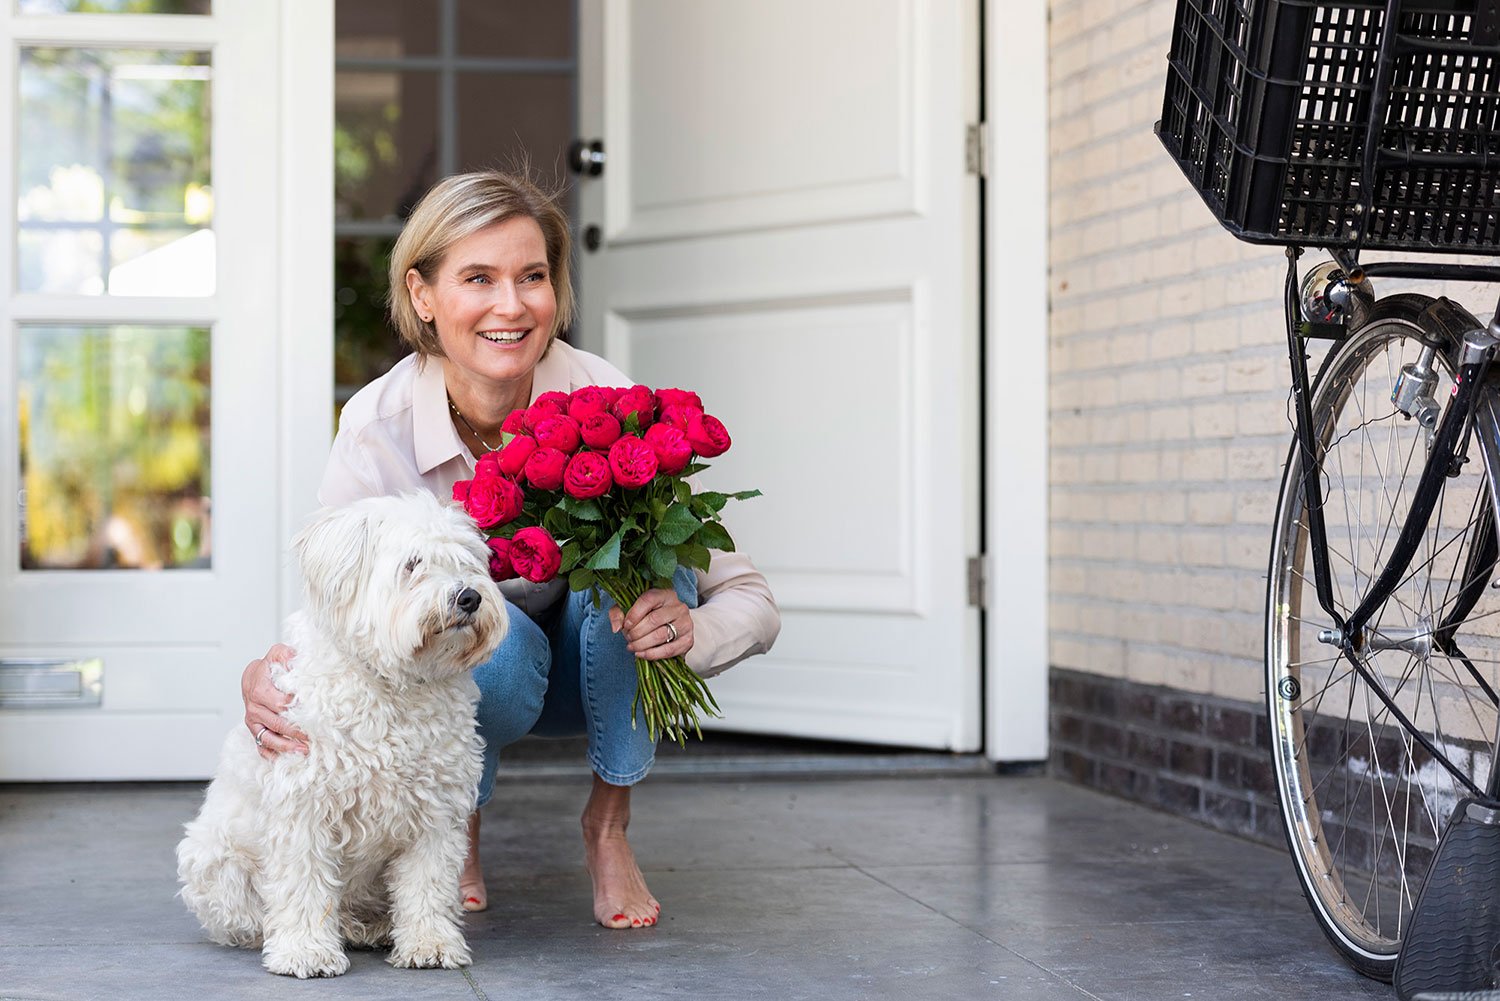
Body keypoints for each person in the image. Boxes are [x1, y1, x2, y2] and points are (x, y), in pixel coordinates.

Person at [241, 170, 780, 930]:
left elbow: (752, 599)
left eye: (532, 276)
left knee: (642, 574)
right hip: (491, 675)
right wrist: (265, 674)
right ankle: (453, 819)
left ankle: (609, 823)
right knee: (477, 615)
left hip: (601, 668)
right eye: (478, 279)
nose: (512, 305)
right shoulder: (379, 427)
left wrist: (690, 629)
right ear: (423, 295)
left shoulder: (606, 402)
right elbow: (338, 604)